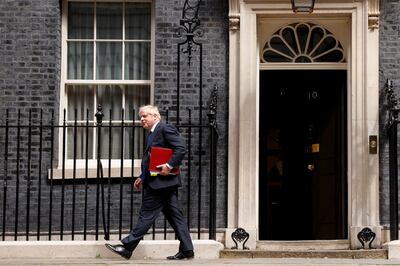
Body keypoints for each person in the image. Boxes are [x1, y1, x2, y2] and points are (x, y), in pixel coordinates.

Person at [105, 105, 194, 260]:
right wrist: (143, 176)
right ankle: (187, 250)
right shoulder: (152, 133)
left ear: (155, 116)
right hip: (160, 182)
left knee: (146, 214)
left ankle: (127, 247)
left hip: (160, 183)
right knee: (175, 216)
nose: (142, 119)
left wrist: (169, 165)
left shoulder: (165, 128)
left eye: (145, 116)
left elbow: (180, 148)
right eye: (141, 117)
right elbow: (151, 159)